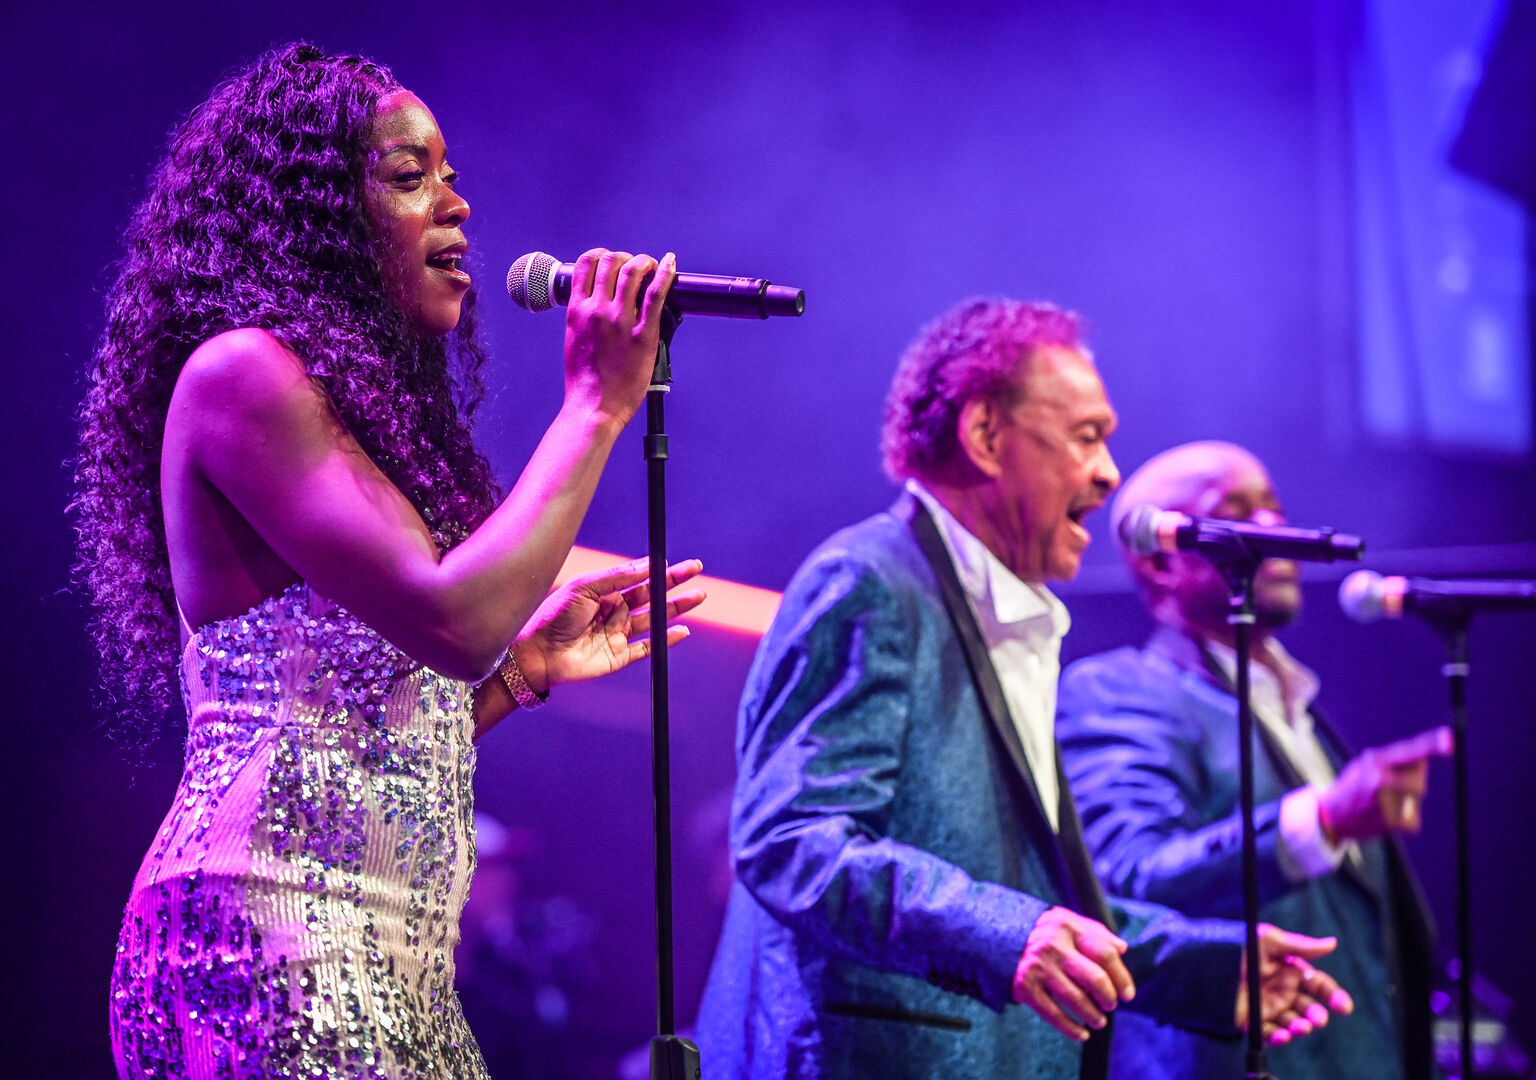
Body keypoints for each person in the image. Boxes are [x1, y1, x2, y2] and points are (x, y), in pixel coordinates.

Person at [74, 44, 702, 1077]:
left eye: (449, 175)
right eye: (410, 177)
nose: (455, 204)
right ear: (314, 217)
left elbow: (362, 731)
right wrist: (596, 405)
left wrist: (524, 670)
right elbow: (453, 620)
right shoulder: (240, 375)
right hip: (269, 937)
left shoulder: (349, 415)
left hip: (392, 959)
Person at [695, 300, 1352, 1080]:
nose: (1109, 474)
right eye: (1086, 436)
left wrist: (1204, 970)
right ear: (983, 435)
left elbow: (1037, 901)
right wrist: (1004, 932)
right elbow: (792, 841)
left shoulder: (997, 618)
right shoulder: (869, 581)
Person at [1055, 440, 1447, 1079]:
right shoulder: (1120, 693)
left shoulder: (1299, 703)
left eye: (1274, 507)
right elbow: (1128, 877)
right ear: (1160, 561)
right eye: (1234, 512)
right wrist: (1322, 821)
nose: (1272, 526)